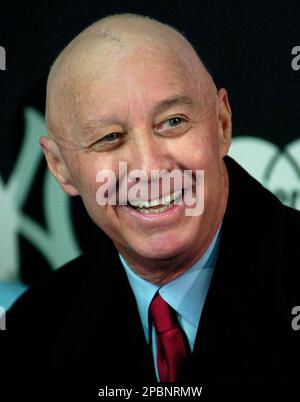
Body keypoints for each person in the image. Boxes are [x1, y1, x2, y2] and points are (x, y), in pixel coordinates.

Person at [3, 13, 300, 386]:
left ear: (222, 124)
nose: (149, 167)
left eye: (173, 122)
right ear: (60, 167)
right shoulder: (31, 333)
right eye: (110, 137)